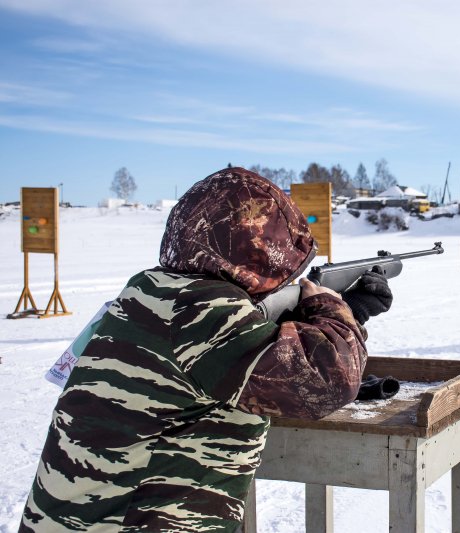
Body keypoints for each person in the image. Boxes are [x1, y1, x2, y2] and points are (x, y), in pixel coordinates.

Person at [19, 167, 392, 532]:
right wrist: (339, 310)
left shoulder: (149, 289)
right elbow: (328, 382)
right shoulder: (203, 308)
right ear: (261, 246)